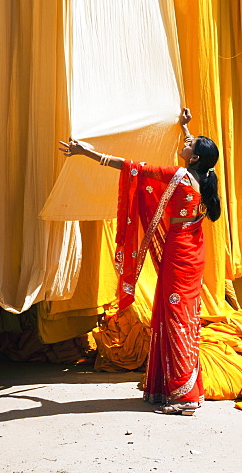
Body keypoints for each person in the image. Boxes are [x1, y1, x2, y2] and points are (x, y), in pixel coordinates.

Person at [59, 108, 220, 415]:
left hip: (178, 257)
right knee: (178, 314)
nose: (185, 144)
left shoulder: (179, 176)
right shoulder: (204, 178)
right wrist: (187, 129)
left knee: (175, 319)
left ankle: (184, 397)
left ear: (195, 158)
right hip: (193, 253)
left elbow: (131, 168)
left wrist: (85, 152)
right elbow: (194, 153)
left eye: (189, 145)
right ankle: (173, 388)